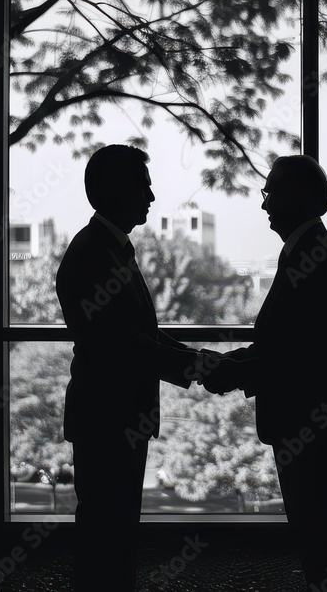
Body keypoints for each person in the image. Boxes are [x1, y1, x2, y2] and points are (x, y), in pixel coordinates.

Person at [56, 144, 214, 590]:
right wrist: (200, 367)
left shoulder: (109, 249)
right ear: (112, 190)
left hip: (114, 416)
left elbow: (140, 335)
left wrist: (195, 362)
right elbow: (124, 345)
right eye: (142, 185)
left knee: (113, 533)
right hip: (108, 418)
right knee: (108, 536)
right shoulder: (94, 254)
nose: (151, 195)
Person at [201, 154, 327, 591]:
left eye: (272, 192)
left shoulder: (312, 258)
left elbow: (294, 356)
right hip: (312, 419)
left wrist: (228, 370)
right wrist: (232, 366)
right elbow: (285, 348)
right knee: (317, 531)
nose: (265, 204)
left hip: (309, 421)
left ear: (301, 197)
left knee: (316, 535)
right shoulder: (309, 253)